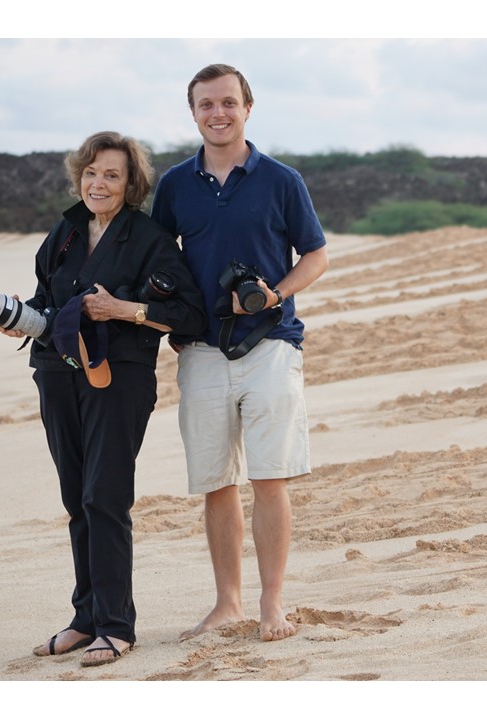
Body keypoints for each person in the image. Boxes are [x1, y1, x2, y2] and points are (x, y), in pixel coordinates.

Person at [0, 131, 205, 666]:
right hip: (56, 373)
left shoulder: (151, 238)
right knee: (75, 499)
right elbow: (46, 298)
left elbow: (188, 314)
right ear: (78, 176)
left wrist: (123, 309)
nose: (98, 182)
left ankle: (116, 623)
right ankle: (85, 619)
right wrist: (22, 318)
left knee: (103, 497)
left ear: (131, 182)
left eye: (112, 174)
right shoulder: (64, 232)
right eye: (91, 172)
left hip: (120, 379)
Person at [151, 64, 329, 642]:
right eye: (206, 105)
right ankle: (226, 603)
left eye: (228, 102)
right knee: (216, 482)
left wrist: (274, 294)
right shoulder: (175, 184)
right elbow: (156, 260)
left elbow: (316, 256)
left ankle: (271, 603)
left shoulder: (281, 179)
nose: (218, 113)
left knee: (270, 477)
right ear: (194, 113)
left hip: (272, 345)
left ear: (248, 107)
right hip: (200, 349)